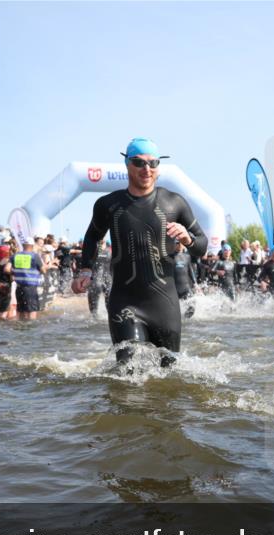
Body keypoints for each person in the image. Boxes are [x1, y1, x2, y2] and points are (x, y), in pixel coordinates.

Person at [73, 138, 206, 365]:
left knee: (168, 376)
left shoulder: (174, 202)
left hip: (165, 305)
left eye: (152, 163)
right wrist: (85, 269)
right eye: (139, 162)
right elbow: (93, 236)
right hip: (125, 303)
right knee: (128, 373)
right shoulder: (108, 205)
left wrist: (188, 238)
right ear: (127, 164)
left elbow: (202, 245)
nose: (147, 169)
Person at [13, 238, 45, 321]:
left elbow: (7, 268)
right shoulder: (34, 256)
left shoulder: (16, 255)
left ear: (23, 245)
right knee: (32, 311)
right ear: (32, 246)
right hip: (30, 288)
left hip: (19, 287)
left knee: (21, 311)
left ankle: (21, 330)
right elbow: (43, 270)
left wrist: (17, 273)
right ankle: (31, 332)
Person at [87, 239, 112, 316]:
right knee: (110, 308)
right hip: (107, 279)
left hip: (96, 280)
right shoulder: (110, 251)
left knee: (94, 312)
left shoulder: (94, 251)